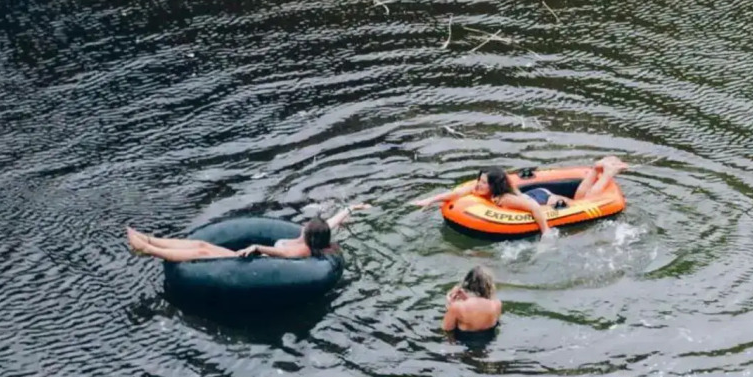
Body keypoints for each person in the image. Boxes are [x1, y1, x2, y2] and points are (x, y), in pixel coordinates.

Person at [412, 157, 628, 239]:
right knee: (582, 197)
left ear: (493, 186)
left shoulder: (504, 199)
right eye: (479, 181)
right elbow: (456, 194)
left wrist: (546, 233)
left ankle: (606, 173)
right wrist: (430, 200)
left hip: (542, 200)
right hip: (534, 196)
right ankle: (596, 170)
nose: (478, 185)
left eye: (483, 183)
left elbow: (533, 207)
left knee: (585, 201)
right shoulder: (481, 191)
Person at [125, 204, 370, 262]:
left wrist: (256, 247)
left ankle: (147, 249)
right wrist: (353, 208)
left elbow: (278, 253)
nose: (304, 224)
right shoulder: (309, 238)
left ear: (311, 234)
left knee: (202, 250)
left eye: (307, 225)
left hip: (247, 262)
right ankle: (149, 239)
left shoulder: (301, 250)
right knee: (201, 244)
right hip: (250, 257)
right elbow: (332, 222)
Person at [443, 265, 502, 333]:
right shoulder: (497, 304)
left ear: (468, 283)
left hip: (464, 338)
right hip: (489, 337)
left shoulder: (457, 307)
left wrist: (449, 305)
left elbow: (447, 330)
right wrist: (466, 298)